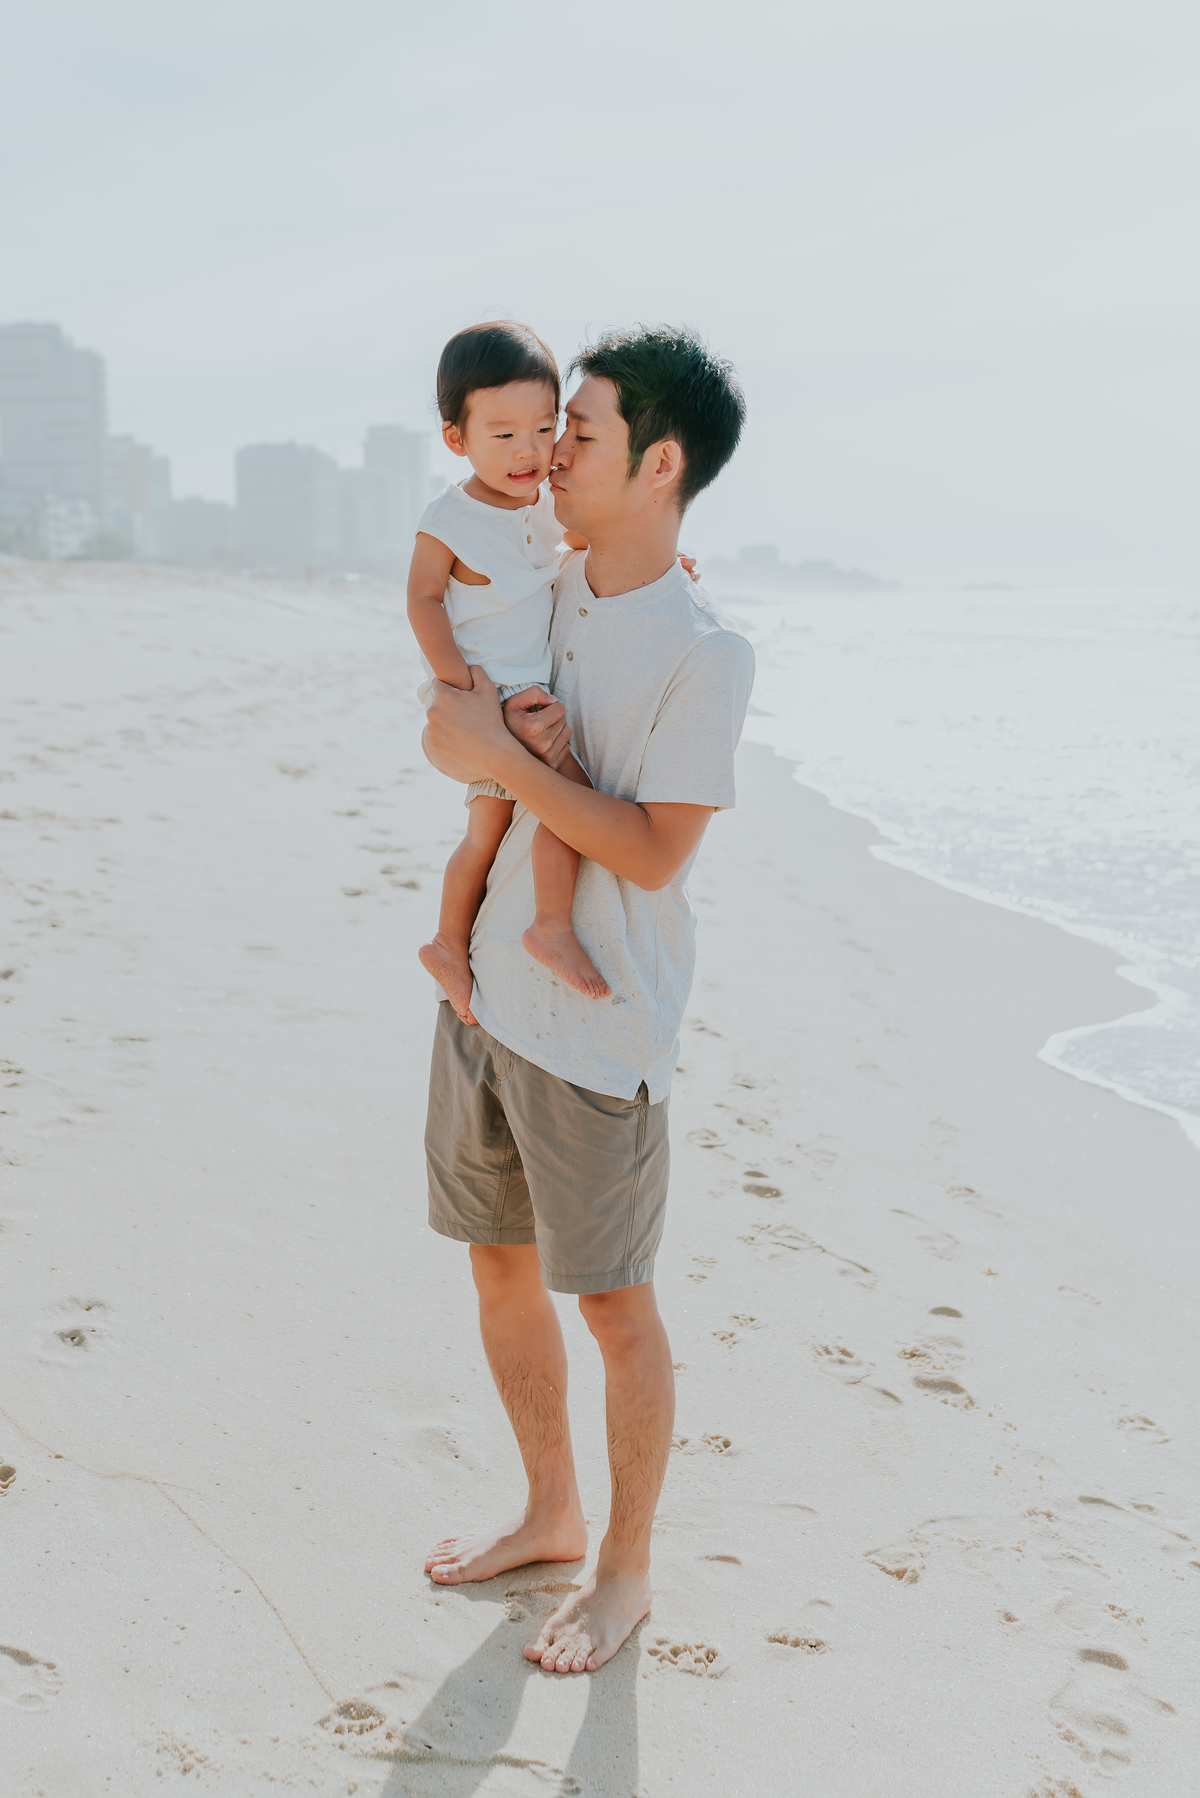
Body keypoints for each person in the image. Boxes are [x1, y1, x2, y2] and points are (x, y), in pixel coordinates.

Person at [421, 324, 755, 1675]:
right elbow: (455, 630)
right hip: (490, 994)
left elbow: (656, 848)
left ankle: (626, 1569)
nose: (554, 449)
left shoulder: (706, 647)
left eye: (587, 432)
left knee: (614, 1301)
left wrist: (494, 750)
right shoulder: (551, 579)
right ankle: (551, 1509)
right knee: (497, 1261)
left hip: (604, 1015)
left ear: (660, 462)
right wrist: (475, 737)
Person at [410, 321, 612, 1018]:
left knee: (489, 829)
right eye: (503, 436)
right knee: (571, 798)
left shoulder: (540, 507)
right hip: (492, 701)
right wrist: (459, 683)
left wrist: (660, 560)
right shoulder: (452, 518)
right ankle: (550, 925)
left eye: (543, 428)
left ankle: (446, 942)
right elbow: (423, 597)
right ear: (456, 439)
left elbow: (581, 547)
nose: (528, 451)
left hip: (522, 700)